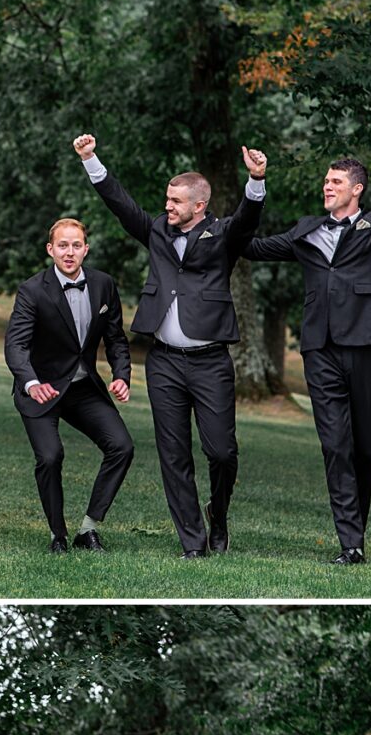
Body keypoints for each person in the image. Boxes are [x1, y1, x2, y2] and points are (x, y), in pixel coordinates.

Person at [243, 104, 371, 567]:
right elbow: (250, 246)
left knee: (366, 446)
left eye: (336, 181)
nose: (327, 185)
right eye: (325, 181)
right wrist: (254, 188)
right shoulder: (306, 231)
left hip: (366, 345)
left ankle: (356, 525)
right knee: (334, 444)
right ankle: (351, 543)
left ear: (356, 189)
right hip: (319, 348)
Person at [74, 136, 267, 558]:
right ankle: (193, 543)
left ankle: (219, 511)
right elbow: (122, 205)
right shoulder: (158, 230)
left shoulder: (221, 235)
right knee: (173, 454)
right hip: (162, 362)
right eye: (167, 198)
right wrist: (91, 158)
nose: (168, 206)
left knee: (221, 450)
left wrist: (256, 180)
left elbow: (247, 222)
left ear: (199, 206)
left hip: (210, 362)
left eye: (176, 201)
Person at [4, 213, 133, 553]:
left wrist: (121, 375)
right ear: (51, 249)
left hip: (82, 388)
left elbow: (116, 338)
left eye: (76, 245)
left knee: (122, 446)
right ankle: (57, 535)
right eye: (63, 245)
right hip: (41, 389)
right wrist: (30, 382)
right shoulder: (32, 290)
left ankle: (88, 529)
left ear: (86, 250)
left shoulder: (104, 284)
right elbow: (15, 345)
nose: (69, 252)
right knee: (50, 456)